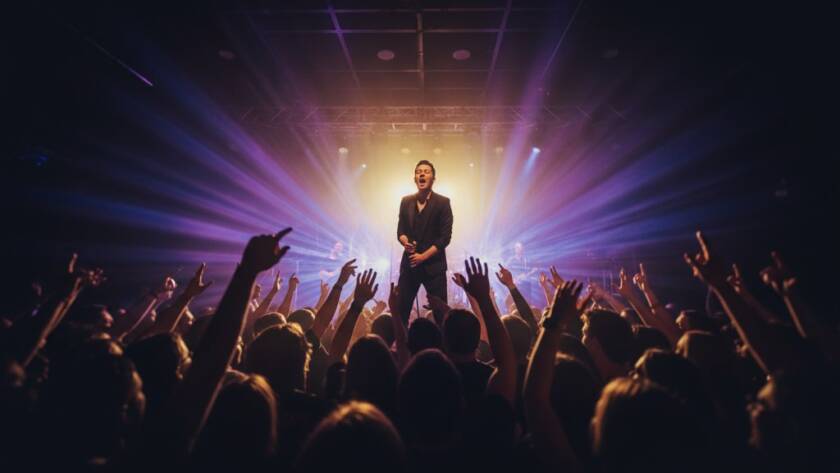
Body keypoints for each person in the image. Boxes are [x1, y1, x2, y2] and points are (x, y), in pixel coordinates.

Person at [396, 160, 453, 325]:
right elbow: (400, 231)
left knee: (441, 315)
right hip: (410, 266)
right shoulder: (406, 201)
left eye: (426, 171)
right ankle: (400, 347)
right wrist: (405, 242)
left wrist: (423, 256)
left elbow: (445, 237)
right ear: (415, 178)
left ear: (433, 178)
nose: (422, 174)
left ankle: (445, 348)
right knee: (401, 312)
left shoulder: (443, 202)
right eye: (418, 171)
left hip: (434, 268)